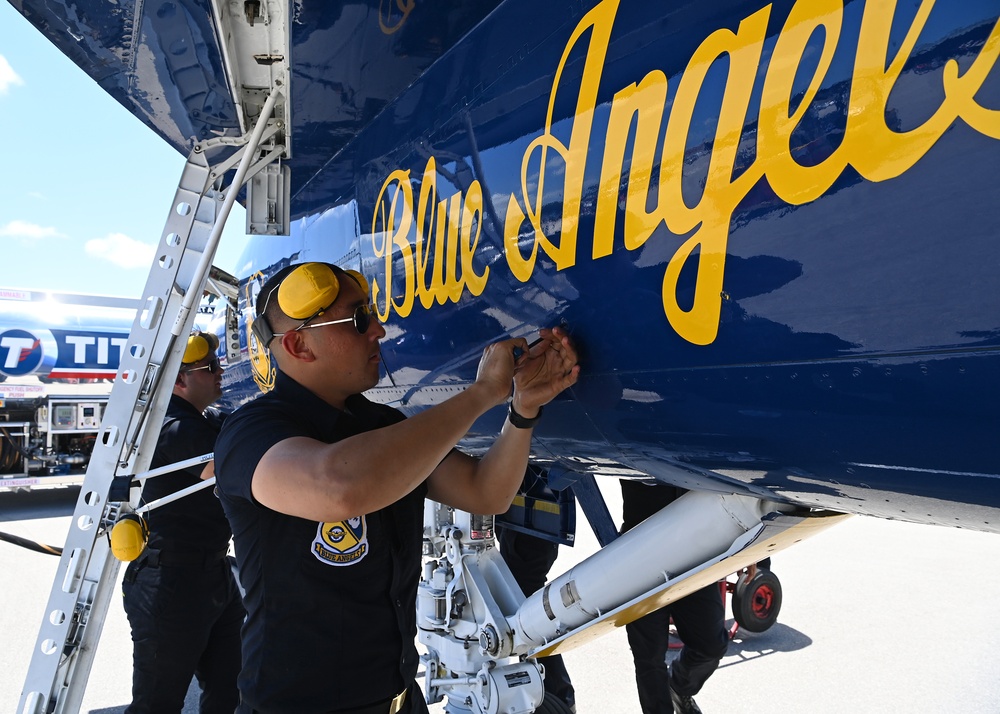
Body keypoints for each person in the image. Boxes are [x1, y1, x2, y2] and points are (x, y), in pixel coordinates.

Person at [212, 261, 580, 714]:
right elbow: (338, 489)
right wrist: (482, 392)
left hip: (402, 700)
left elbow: (486, 492)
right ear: (297, 345)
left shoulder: (383, 427)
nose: (379, 331)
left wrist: (522, 411)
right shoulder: (251, 433)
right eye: (359, 319)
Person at [121, 331, 245, 714]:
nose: (220, 371)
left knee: (233, 688)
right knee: (156, 704)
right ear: (179, 381)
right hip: (171, 583)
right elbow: (231, 468)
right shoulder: (174, 426)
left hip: (211, 574)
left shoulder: (199, 419)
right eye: (209, 368)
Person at [620, 480, 731, 714]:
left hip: (695, 550)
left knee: (711, 646)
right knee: (649, 658)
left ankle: (678, 688)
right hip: (641, 554)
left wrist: (754, 552)